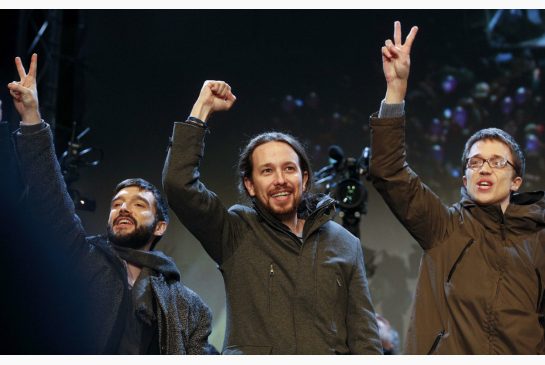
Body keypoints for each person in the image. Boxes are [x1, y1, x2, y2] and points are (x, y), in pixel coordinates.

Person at [7, 54, 217, 354]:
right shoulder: (82, 258)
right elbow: (49, 195)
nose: (123, 208)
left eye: (138, 205)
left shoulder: (188, 306)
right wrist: (31, 117)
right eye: (117, 203)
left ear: (161, 226)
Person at [162, 81, 382, 355]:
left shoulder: (345, 243)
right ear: (250, 185)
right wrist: (202, 109)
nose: (280, 180)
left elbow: (365, 340)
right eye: (267, 171)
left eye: (289, 169)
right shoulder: (235, 231)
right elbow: (178, 185)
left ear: (304, 179)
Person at [369, 21, 545, 354]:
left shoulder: (539, 240)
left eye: (496, 162)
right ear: (464, 179)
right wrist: (396, 92)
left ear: (517, 181)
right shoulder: (444, 229)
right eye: (475, 162)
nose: (485, 169)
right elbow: (388, 171)